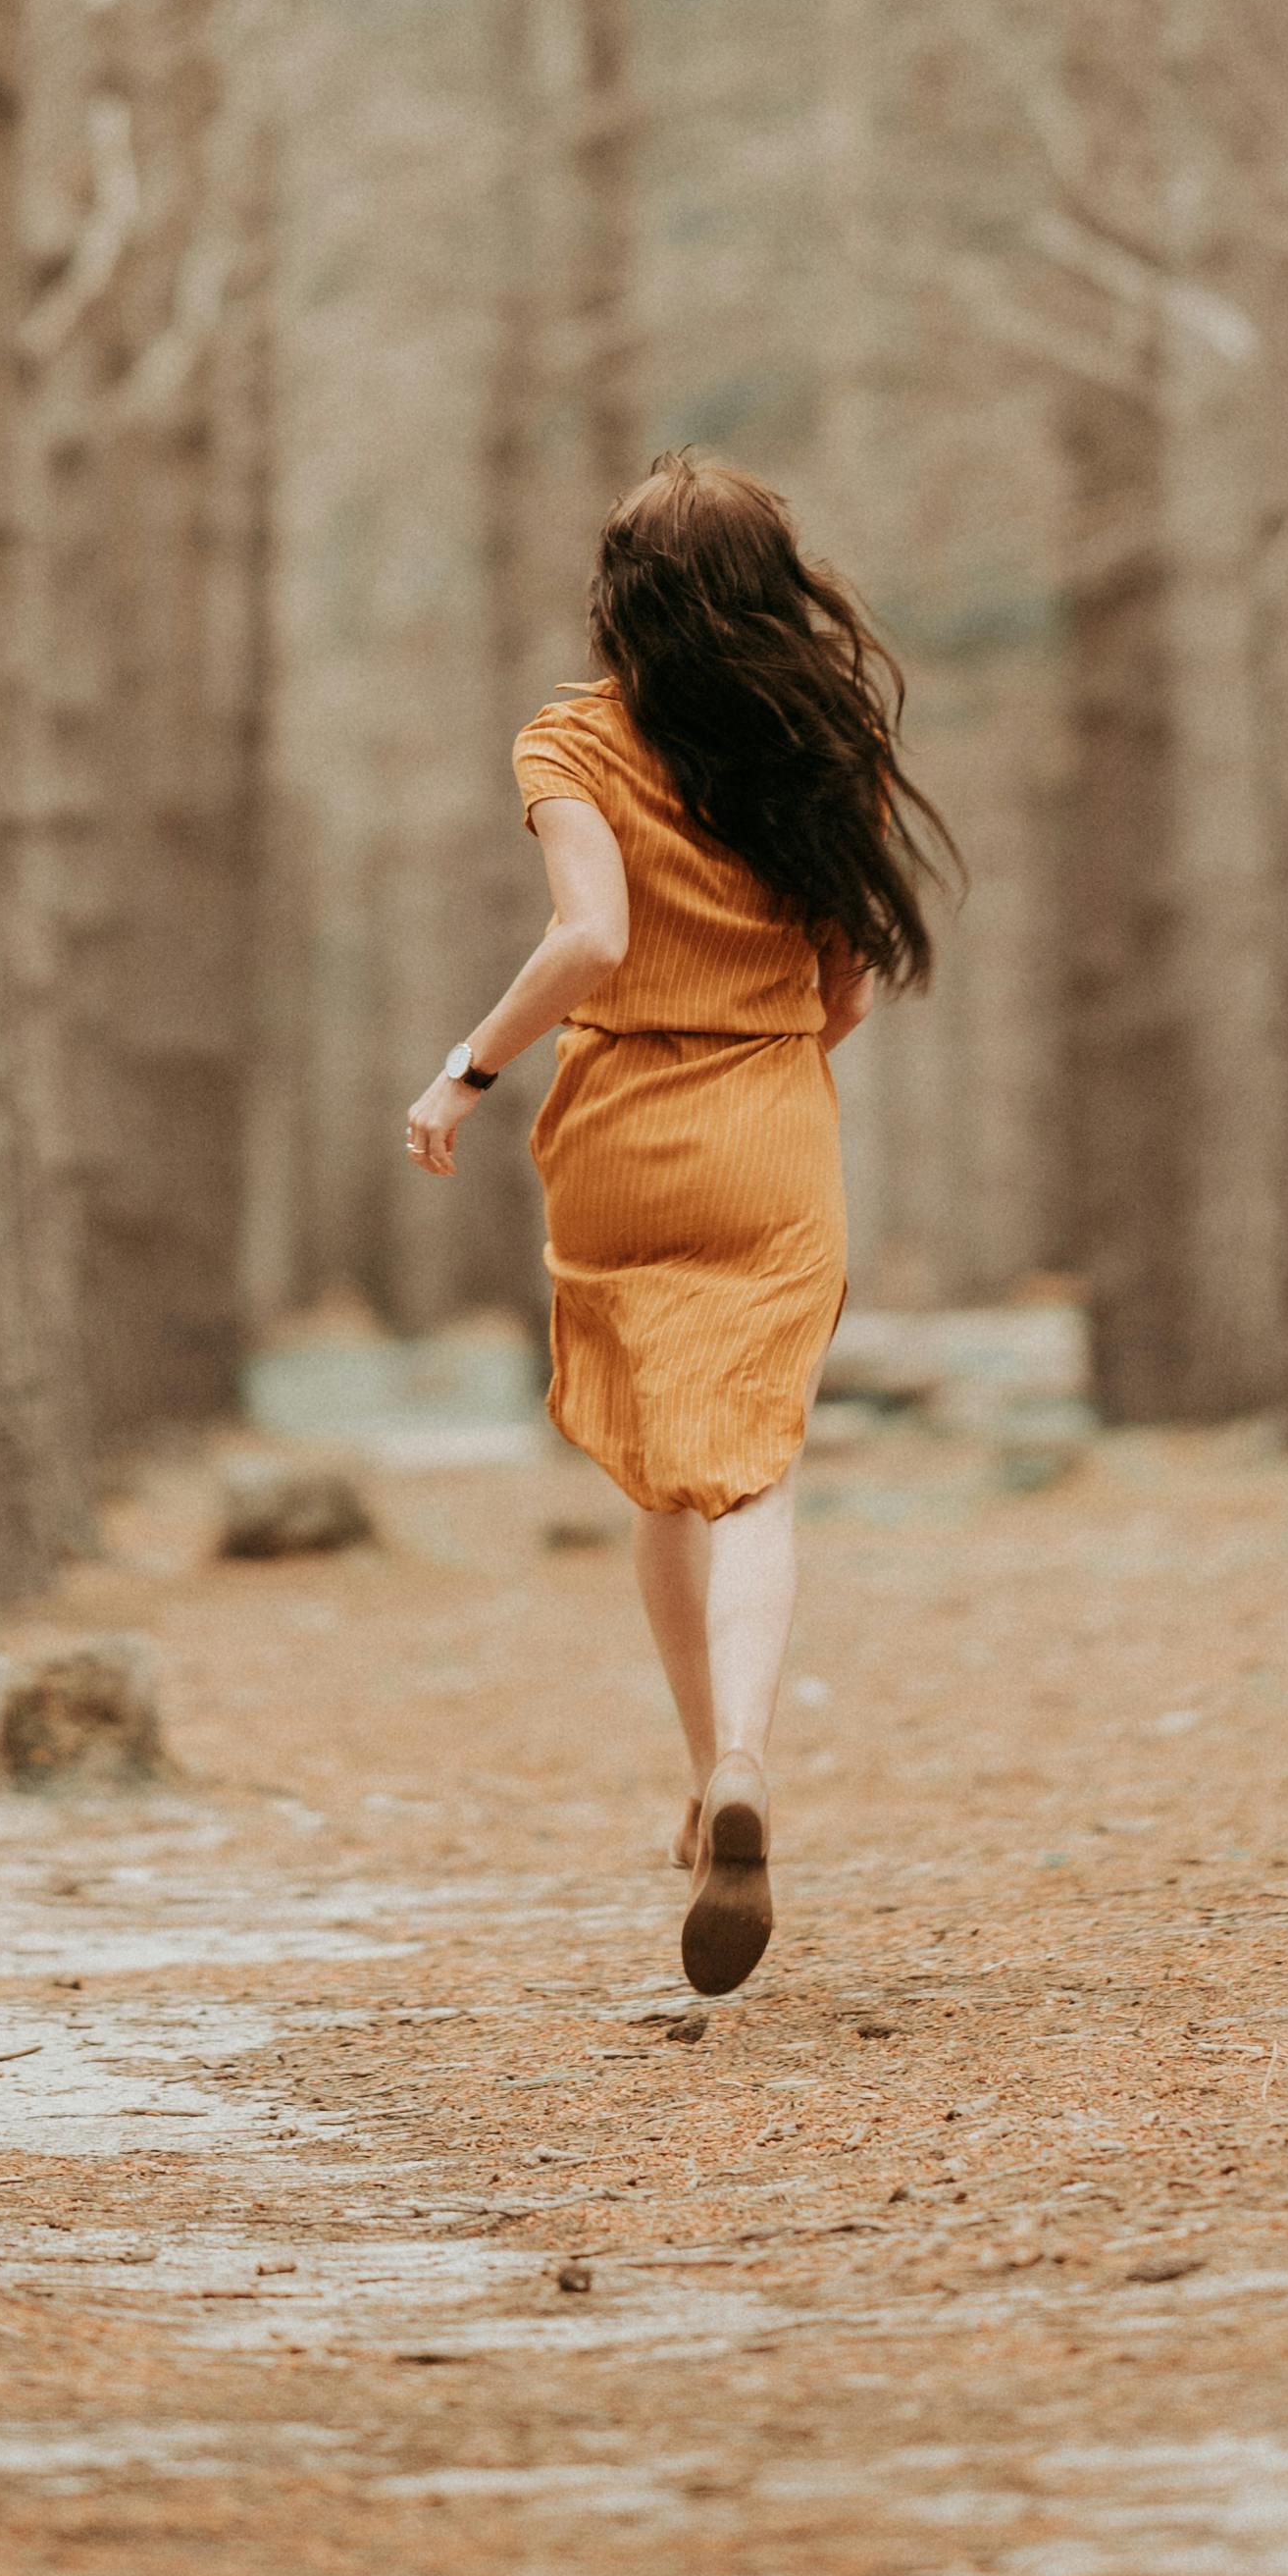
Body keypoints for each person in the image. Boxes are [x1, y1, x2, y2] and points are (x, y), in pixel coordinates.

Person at [404, 453, 953, 1994]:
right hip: (769, 1124)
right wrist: (757, 1060)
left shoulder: (569, 737)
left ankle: (700, 1761)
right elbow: (847, 988)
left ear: (620, 594)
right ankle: (752, 1764)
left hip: (619, 1129)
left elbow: (591, 936)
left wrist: (465, 1071)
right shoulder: (820, 745)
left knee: (662, 1470)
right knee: (756, 1466)